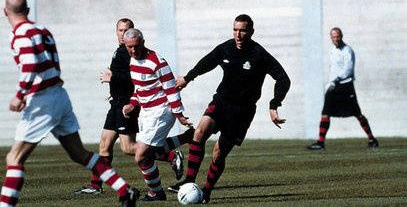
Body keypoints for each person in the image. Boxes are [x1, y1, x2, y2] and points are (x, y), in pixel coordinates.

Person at [0, 0, 138, 207]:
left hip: (42, 101)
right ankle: (124, 188)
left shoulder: (19, 34)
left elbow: (30, 65)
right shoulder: (42, 31)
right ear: (27, 11)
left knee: (14, 159)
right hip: (59, 96)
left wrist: (20, 96)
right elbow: (54, 66)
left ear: (5, 11)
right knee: (79, 153)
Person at [168, 14, 291, 203]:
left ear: (251, 32)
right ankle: (189, 181)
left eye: (242, 30)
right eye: (235, 30)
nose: (238, 35)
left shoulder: (259, 54)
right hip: (221, 102)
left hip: (242, 111)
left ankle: (206, 193)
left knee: (218, 153)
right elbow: (207, 62)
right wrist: (187, 78)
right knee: (199, 132)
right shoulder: (226, 48)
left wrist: (274, 104)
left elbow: (283, 79)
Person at [74, 18, 189, 195]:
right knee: (105, 143)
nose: (123, 33)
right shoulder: (124, 52)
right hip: (118, 103)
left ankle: (170, 156)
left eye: (127, 30)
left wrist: (114, 79)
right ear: (116, 32)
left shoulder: (139, 55)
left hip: (132, 104)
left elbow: (146, 82)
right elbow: (137, 81)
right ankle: (96, 185)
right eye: (120, 30)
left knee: (130, 149)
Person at [122, 28, 193, 201]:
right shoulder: (132, 60)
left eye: (136, 46)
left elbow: (171, 89)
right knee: (147, 155)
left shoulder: (157, 62)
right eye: (129, 47)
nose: (133, 50)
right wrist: (132, 103)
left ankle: (157, 192)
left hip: (161, 112)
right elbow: (139, 88)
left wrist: (179, 114)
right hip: (146, 113)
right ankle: (185, 138)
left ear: (143, 42)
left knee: (140, 156)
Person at [307, 27, 379, 150]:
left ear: (342, 36)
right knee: (325, 113)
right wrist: (330, 82)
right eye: (334, 37)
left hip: (345, 86)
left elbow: (348, 69)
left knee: (357, 113)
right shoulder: (332, 51)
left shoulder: (347, 50)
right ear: (331, 38)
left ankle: (372, 138)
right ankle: (320, 142)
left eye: (338, 36)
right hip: (333, 87)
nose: (336, 39)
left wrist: (336, 80)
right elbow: (332, 69)